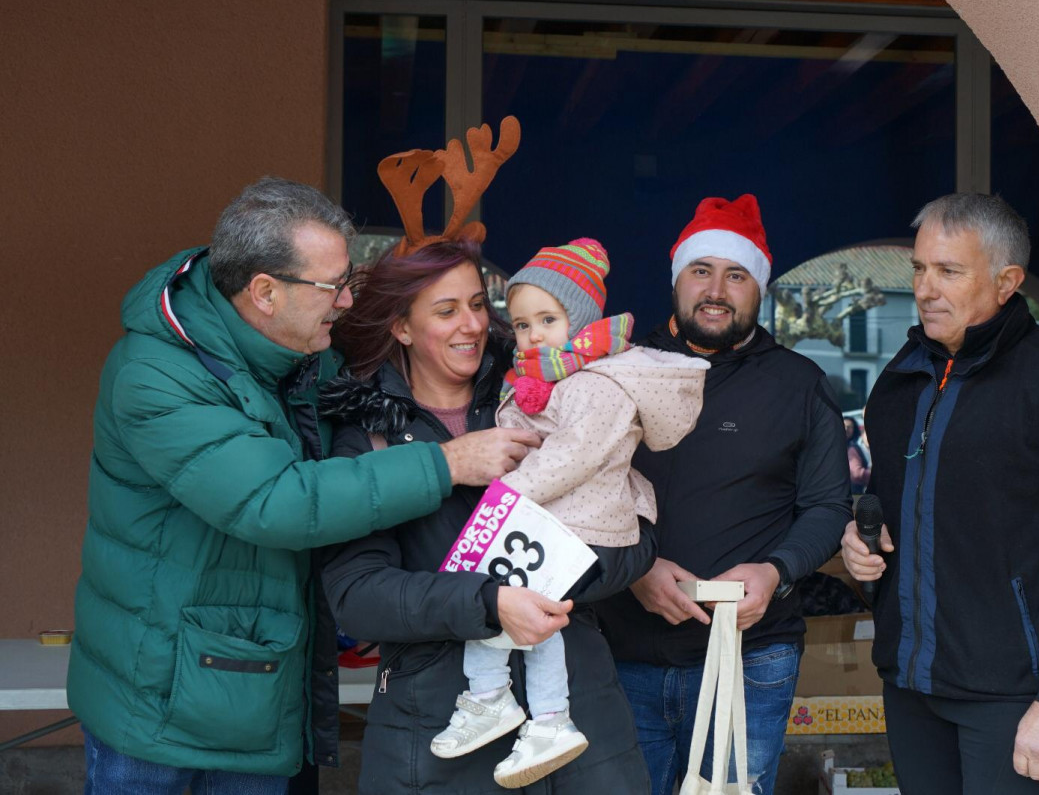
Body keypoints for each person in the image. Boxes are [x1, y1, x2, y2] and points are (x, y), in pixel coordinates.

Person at [67, 177, 536, 794]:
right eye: (334, 286)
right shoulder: (156, 374)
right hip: (157, 703)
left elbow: (411, 333)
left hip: (253, 681)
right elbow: (274, 502)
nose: (344, 302)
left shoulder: (301, 357)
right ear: (264, 292)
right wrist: (444, 464)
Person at [319, 239, 657, 794]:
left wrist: (565, 575)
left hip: (582, 722)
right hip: (438, 731)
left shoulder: (545, 397)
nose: (473, 325)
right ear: (401, 327)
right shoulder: (369, 438)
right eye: (447, 311)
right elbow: (358, 595)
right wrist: (487, 603)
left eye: (478, 304)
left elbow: (635, 533)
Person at [841, 193, 1039, 794]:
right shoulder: (900, 383)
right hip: (910, 684)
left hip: (1016, 695)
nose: (925, 288)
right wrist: (860, 549)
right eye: (920, 268)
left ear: (1007, 282)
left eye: (949, 271)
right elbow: (909, 522)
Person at [595, 194, 853, 795]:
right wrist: (635, 570)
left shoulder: (798, 384)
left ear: (758, 288)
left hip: (751, 656)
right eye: (701, 270)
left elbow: (826, 507)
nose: (716, 288)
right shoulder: (622, 370)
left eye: (736, 274)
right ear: (677, 280)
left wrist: (777, 571)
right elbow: (581, 491)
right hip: (623, 649)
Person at [428, 238, 707, 787]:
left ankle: (504, 703)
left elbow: (571, 456)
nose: (532, 335)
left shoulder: (597, 383)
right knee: (527, 613)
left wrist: (503, 493)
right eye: (523, 323)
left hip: (581, 524)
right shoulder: (548, 379)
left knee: (495, 592)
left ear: (579, 320)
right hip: (564, 520)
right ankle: (537, 714)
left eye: (548, 320)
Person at [845, 416, 870, 494]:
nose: (846, 429)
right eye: (843, 426)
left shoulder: (856, 446)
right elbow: (856, 474)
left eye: (849, 427)